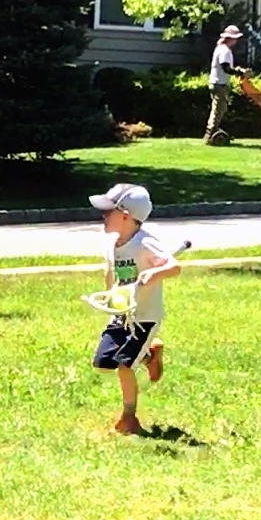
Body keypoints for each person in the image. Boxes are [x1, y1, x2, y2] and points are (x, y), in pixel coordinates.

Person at [87, 183, 181, 436]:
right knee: (103, 363)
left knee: (125, 365)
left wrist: (155, 272)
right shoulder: (110, 241)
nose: (103, 216)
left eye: (109, 211)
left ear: (126, 216)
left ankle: (129, 418)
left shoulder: (145, 242)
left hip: (145, 317)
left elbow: (173, 266)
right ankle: (149, 356)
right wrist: (108, 294)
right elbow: (111, 271)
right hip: (122, 312)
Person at [204, 24, 249, 144]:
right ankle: (210, 134)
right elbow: (226, 68)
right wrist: (239, 72)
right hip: (220, 83)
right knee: (219, 109)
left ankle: (211, 132)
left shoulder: (219, 48)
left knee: (218, 108)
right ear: (231, 38)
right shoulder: (225, 51)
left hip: (215, 81)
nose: (236, 41)